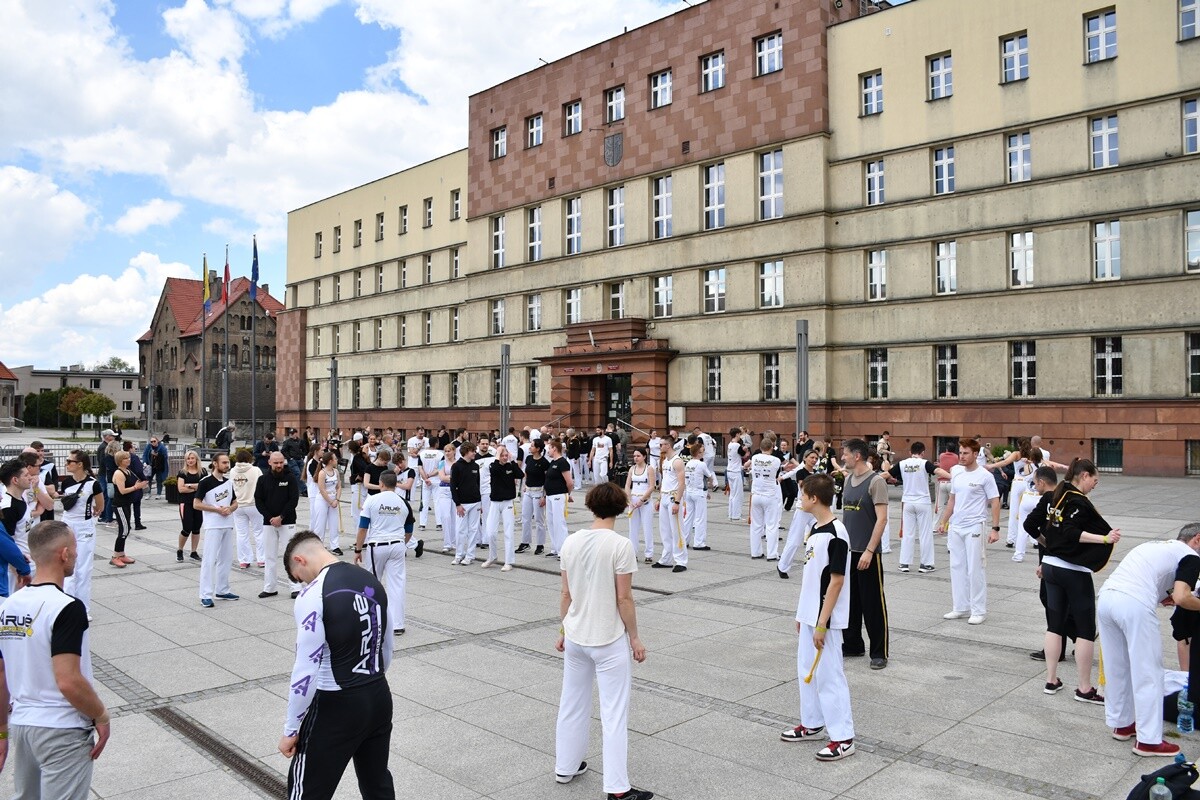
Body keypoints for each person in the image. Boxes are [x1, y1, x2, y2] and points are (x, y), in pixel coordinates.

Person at [554, 483, 652, 800]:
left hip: (576, 634)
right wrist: (635, 637)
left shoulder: (571, 541)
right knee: (613, 713)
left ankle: (566, 766)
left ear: (591, 506)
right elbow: (624, 598)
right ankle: (617, 789)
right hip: (607, 638)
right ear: (622, 508)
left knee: (572, 702)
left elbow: (566, 593)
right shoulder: (619, 545)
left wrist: (562, 630)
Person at [0, 520, 111, 799]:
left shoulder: (8, 606)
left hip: (23, 726)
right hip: (61, 728)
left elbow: (1, 675)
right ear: (63, 554)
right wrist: (101, 714)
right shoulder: (66, 607)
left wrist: (2, 731)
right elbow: (68, 680)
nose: (76, 554)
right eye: (74, 549)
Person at [279, 532, 395, 799]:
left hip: (336, 704)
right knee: (377, 783)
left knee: (307, 791)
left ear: (300, 559)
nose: (302, 583)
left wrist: (290, 729)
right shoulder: (370, 580)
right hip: (377, 695)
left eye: (299, 577)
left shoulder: (314, 593)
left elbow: (306, 668)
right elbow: (386, 647)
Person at [1097, 525, 1200, 758]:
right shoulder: (1191, 556)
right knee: (1149, 672)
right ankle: (1149, 741)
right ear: (1197, 539)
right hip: (1134, 605)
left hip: (1107, 598)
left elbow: (1159, 585)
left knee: (1118, 667)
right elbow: (1183, 597)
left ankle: (1122, 724)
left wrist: (1164, 596)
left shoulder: (1157, 545)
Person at [780, 473, 856, 761]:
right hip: (810, 614)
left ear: (814, 498)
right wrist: (804, 613)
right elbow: (812, 577)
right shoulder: (814, 528)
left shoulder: (837, 534)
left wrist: (822, 622)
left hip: (827, 619)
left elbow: (836, 581)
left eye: (802, 495)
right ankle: (812, 723)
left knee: (829, 676)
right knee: (806, 671)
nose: (799, 499)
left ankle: (843, 737)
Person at [1038, 458, 1117, 704]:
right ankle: (1084, 688)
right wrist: (1105, 539)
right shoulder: (1077, 501)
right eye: (1095, 479)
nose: (1095, 484)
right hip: (1072, 569)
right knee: (1084, 630)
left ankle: (1051, 680)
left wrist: (1045, 560)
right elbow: (1071, 532)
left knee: (1055, 625)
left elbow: (1049, 530)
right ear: (1084, 475)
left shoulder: (1056, 496)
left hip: (1051, 565)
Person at [937, 438, 1001, 625]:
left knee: (975, 568)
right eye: (961, 453)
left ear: (975, 454)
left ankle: (978, 610)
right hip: (956, 526)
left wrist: (995, 529)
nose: (962, 456)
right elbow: (952, 500)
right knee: (956, 567)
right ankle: (960, 607)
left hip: (975, 526)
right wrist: (944, 521)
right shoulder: (957, 473)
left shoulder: (984, 476)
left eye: (966, 453)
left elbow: (995, 501)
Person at [838, 438, 890, 670]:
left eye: (845, 454)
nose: (842, 458)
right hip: (849, 551)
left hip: (868, 554)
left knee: (873, 605)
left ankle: (879, 652)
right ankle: (853, 644)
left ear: (857, 456)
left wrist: (870, 550)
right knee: (850, 602)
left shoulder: (876, 482)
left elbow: (882, 519)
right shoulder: (849, 479)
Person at [355, 470, 414, 635]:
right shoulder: (403, 502)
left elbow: (362, 528)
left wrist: (358, 549)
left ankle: (371, 621)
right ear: (395, 484)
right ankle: (398, 624)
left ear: (381, 483)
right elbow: (409, 529)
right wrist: (403, 543)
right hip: (397, 545)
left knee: (372, 583)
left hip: (377, 545)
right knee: (397, 584)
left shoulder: (372, 500)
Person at [888, 442, 950, 574]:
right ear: (922, 452)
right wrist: (954, 477)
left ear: (910, 452)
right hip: (922, 502)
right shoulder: (924, 463)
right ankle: (926, 564)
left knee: (908, 533)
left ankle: (904, 564)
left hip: (908, 502)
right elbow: (938, 471)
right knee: (925, 533)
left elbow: (887, 474)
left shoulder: (902, 463)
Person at [60, 451, 104, 617]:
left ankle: (83, 609)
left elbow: (100, 505)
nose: (67, 463)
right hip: (67, 525)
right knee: (67, 567)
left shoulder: (93, 484)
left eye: (70, 461)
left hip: (84, 527)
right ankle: (67, 607)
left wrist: (93, 514)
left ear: (80, 464)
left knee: (83, 569)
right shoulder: (66, 483)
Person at [194, 453, 239, 608]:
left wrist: (231, 508)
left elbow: (235, 502)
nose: (227, 465)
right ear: (215, 463)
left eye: (228, 462)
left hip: (228, 523)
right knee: (209, 559)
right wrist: (216, 509)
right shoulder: (205, 482)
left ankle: (222, 590)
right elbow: (196, 504)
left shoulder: (228, 482)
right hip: (213, 525)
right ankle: (205, 594)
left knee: (226, 559)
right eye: (224, 462)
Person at [254, 452, 301, 599]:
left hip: (287, 522)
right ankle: (270, 587)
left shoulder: (290, 478)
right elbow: (258, 501)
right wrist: (270, 518)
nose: (279, 465)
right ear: (269, 462)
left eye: (281, 462)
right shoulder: (262, 480)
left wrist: (281, 517)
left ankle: (295, 587)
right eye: (276, 463)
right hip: (269, 523)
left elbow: (293, 500)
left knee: (291, 555)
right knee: (269, 556)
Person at [777, 449, 820, 579]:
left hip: (815, 510)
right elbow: (803, 487)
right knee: (795, 540)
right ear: (805, 458)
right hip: (803, 509)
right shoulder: (801, 472)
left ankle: (818, 565)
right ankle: (782, 566)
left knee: (821, 537)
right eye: (812, 457)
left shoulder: (817, 473)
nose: (814, 460)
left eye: (816, 458)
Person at [483, 445, 523, 570]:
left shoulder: (510, 466)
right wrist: (497, 457)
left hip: (508, 502)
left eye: (506, 455)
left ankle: (509, 561)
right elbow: (495, 471)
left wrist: (512, 461)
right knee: (490, 532)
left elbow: (520, 475)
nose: (505, 458)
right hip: (495, 502)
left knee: (508, 532)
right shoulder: (493, 465)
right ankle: (492, 556)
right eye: (502, 455)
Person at [652, 436, 687, 572]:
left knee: (677, 529)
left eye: (661, 445)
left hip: (673, 496)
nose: (660, 447)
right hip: (665, 495)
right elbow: (664, 481)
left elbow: (682, 483)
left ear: (668, 445)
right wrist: (659, 499)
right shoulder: (665, 460)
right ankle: (666, 558)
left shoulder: (677, 461)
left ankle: (681, 560)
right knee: (665, 530)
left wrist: (677, 502)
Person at [0, 460, 35, 596]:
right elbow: (6, 544)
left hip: (26, 564)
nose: (30, 477)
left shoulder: (20, 499)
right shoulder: (8, 507)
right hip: (14, 571)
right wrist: (19, 571)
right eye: (26, 475)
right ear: (15, 480)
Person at [107, 451, 146, 568]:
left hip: (126, 503)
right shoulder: (119, 473)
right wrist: (136, 487)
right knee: (124, 530)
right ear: (119, 461)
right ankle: (115, 556)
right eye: (125, 459)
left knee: (126, 529)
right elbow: (122, 490)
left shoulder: (128, 471)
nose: (128, 460)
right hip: (120, 504)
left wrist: (139, 483)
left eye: (128, 458)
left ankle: (121, 553)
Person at [748, 438, 783, 562]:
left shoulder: (755, 458)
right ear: (772, 447)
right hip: (770, 495)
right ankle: (772, 554)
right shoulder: (776, 460)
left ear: (761, 447)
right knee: (771, 525)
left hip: (756, 494)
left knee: (756, 525)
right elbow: (778, 470)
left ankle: (756, 552)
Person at [230, 450, 264, 569]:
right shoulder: (256, 470)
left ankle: (244, 560)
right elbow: (262, 485)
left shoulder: (233, 471)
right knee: (259, 532)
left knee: (241, 533)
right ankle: (261, 559)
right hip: (253, 504)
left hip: (238, 505)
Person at [450, 443, 482, 565]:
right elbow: (453, 487)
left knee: (473, 530)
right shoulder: (456, 466)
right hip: (462, 504)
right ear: (466, 452)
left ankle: (470, 555)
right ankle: (459, 555)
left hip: (475, 502)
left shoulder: (475, 466)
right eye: (472, 451)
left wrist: (480, 503)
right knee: (460, 530)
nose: (475, 453)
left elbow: (477, 484)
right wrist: (457, 504)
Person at [681, 441, 716, 551]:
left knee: (688, 517)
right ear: (698, 453)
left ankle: (685, 540)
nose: (703, 453)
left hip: (689, 491)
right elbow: (709, 476)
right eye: (702, 451)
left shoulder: (688, 464)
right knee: (700, 518)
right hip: (698, 493)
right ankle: (699, 543)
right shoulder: (701, 464)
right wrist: (710, 484)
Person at [624, 448, 656, 564]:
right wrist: (629, 499)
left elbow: (652, 486)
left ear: (644, 456)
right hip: (633, 500)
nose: (635, 458)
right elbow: (627, 485)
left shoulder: (650, 469)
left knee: (647, 528)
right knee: (633, 528)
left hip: (645, 501)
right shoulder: (632, 469)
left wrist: (642, 500)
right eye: (634, 456)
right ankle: (633, 553)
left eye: (638, 456)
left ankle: (649, 554)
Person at [544, 439, 574, 558]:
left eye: (549, 449)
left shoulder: (562, 462)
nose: (548, 451)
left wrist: (568, 494)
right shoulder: (552, 462)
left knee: (559, 521)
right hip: (550, 495)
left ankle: (563, 550)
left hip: (558, 495)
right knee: (550, 522)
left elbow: (569, 482)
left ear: (554, 449)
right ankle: (555, 548)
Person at [519, 439, 549, 555]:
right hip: (528, 491)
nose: (530, 448)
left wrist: (544, 496)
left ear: (538, 449)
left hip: (539, 491)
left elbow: (547, 479)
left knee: (539, 519)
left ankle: (540, 544)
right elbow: (527, 472)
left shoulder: (544, 462)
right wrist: (525, 484)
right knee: (525, 517)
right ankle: (525, 542)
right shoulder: (529, 458)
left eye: (532, 446)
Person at [175, 450, 205, 563]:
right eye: (188, 458)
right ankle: (180, 550)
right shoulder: (182, 472)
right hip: (185, 503)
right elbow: (181, 489)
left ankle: (194, 551)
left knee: (196, 528)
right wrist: (196, 487)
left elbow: (205, 487)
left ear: (196, 459)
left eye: (192, 458)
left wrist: (190, 486)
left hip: (198, 503)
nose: (190, 460)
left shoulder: (202, 472)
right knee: (187, 527)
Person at [312, 453, 342, 555]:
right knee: (320, 523)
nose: (336, 460)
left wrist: (336, 500)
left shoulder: (336, 471)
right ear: (330, 461)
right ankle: (317, 545)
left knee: (334, 523)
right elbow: (322, 489)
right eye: (335, 459)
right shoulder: (322, 473)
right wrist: (330, 501)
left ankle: (335, 546)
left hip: (334, 498)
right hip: (323, 499)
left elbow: (339, 487)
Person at [725, 428, 747, 521]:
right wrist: (745, 449)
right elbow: (743, 455)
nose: (740, 436)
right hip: (736, 471)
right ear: (737, 434)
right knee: (738, 494)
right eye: (739, 434)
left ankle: (731, 514)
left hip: (730, 470)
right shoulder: (737, 445)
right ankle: (736, 515)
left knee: (732, 494)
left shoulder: (730, 444)